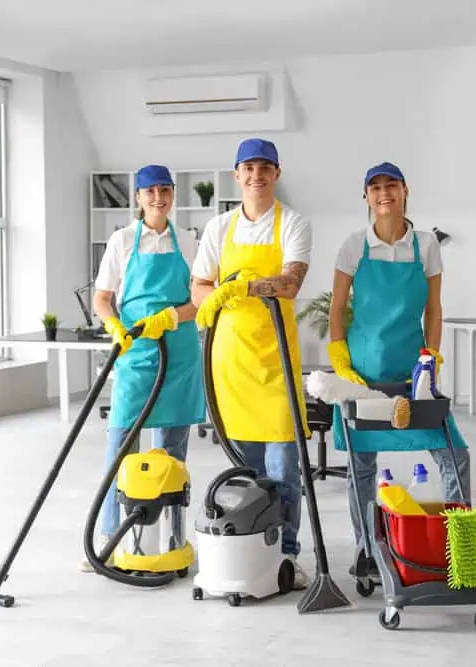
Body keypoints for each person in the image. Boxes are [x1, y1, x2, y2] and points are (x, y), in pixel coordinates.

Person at [328, 161, 471, 579]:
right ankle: (366, 551)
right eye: (375, 187)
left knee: (454, 455)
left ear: (405, 191)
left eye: (391, 186)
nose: (384, 193)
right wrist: (338, 355)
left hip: (413, 375)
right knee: (362, 466)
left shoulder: (425, 245)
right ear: (366, 197)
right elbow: (337, 307)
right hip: (363, 374)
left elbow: (434, 308)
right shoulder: (355, 246)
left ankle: (457, 547)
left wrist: (432, 354)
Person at [191, 138, 312, 590]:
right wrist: (218, 292)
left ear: (276, 174)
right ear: (237, 175)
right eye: (248, 167)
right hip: (231, 360)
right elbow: (199, 289)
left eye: (265, 167)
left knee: (284, 468)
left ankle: (287, 556)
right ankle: (250, 553)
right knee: (245, 469)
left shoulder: (294, 224)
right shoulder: (218, 228)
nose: (256, 175)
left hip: (276, 361)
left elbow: (291, 282)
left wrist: (242, 287)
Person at [81, 164, 205, 572]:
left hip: (179, 352)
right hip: (135, 355)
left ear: (173, 195)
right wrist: (114, 325)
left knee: (173, 451)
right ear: (138, 197)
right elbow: (102, 297)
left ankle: (170, 536)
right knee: (121, 446)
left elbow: (202, 299)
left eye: (165, 190)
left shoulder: (187, 241)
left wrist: (171, 317)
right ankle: (109, 540)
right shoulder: (121, 241)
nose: (158, 197)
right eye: (150, 191)